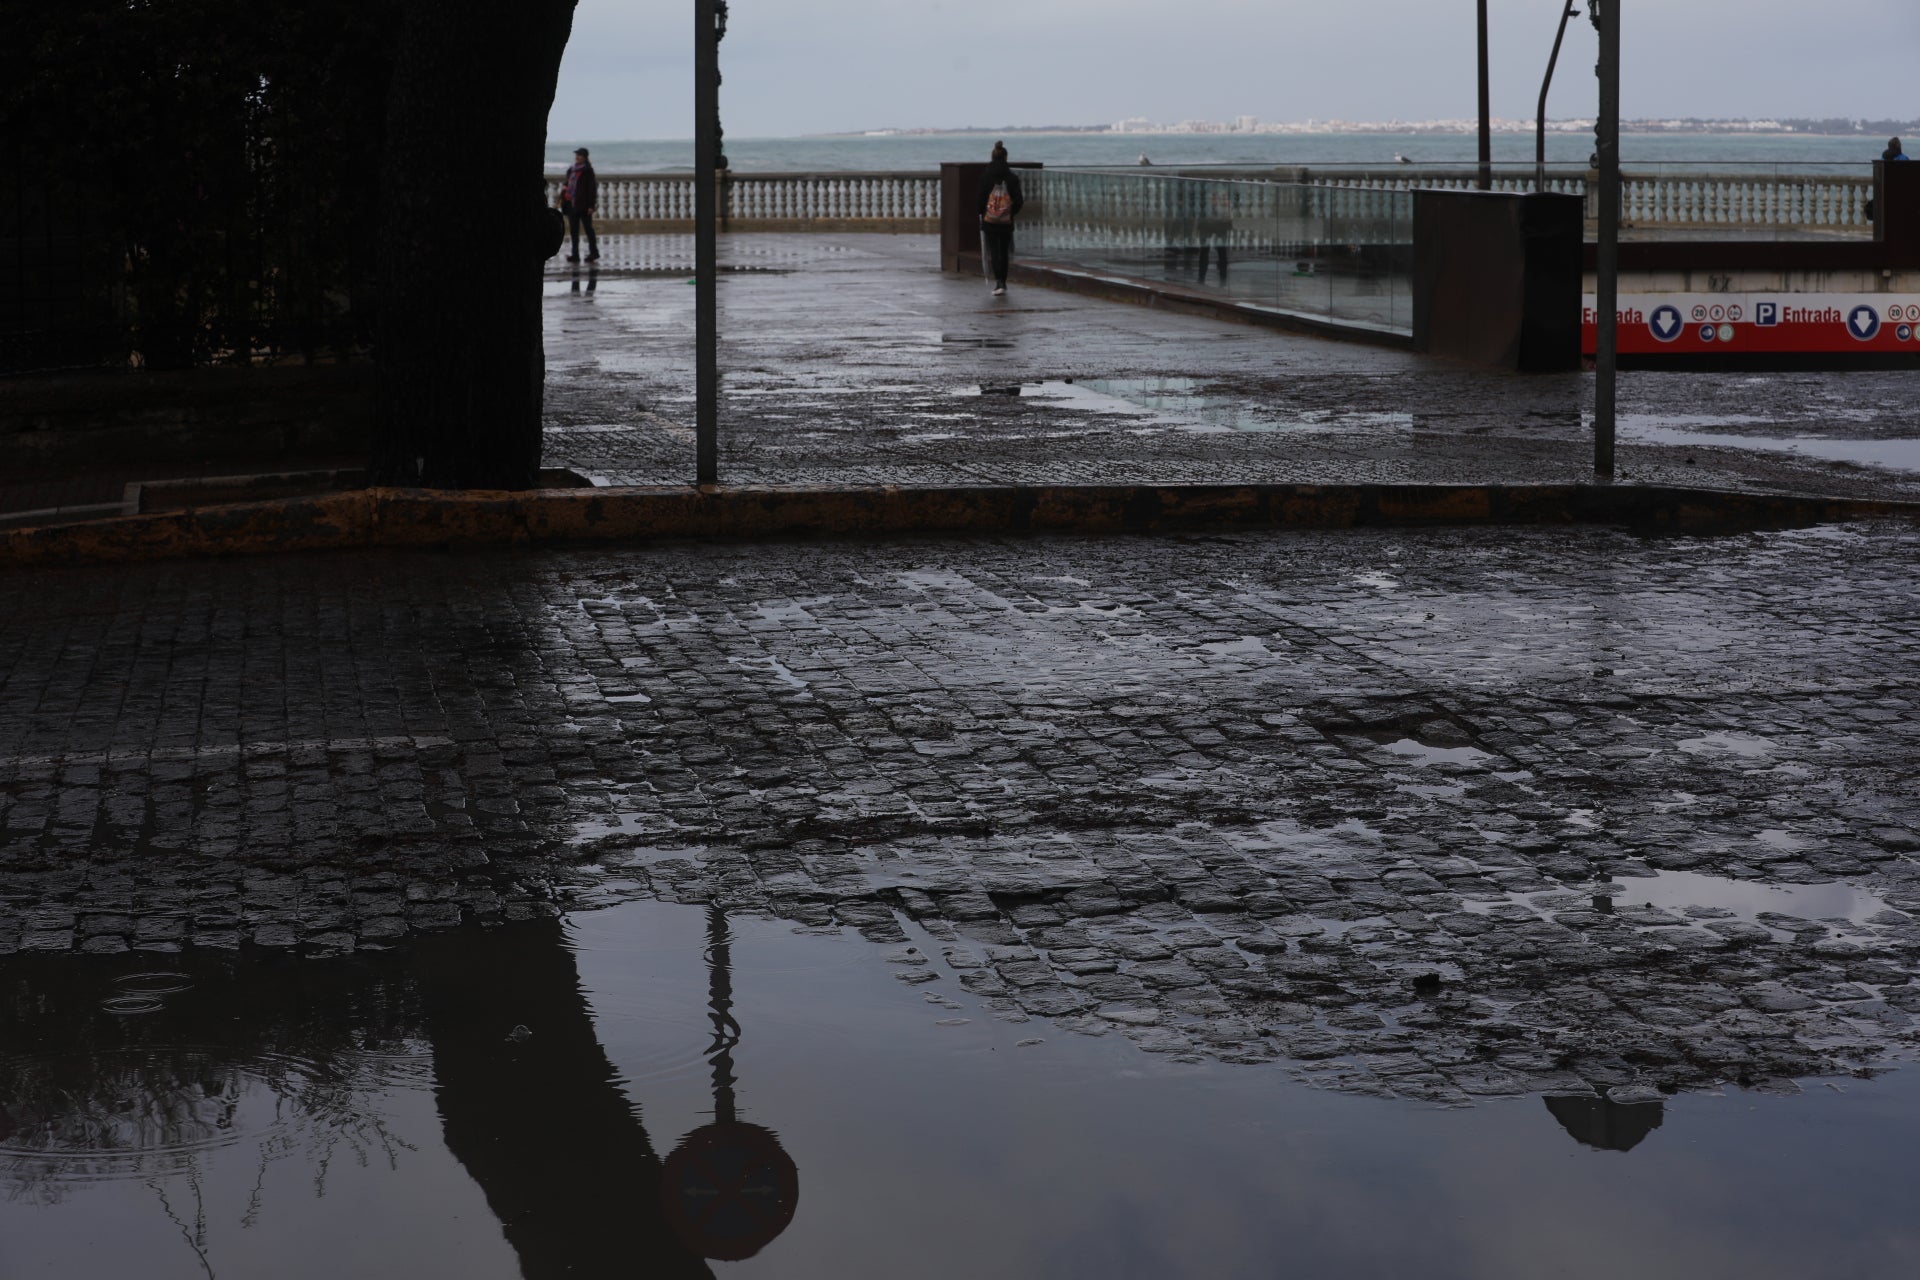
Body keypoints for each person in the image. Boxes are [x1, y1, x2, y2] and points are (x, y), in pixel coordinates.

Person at [976, 141, 1024, 297]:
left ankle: (998, 282)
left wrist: (983, 213)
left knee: (994, 250)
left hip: (989, 221)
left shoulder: (985, 177)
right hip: (1006, 221)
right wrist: (1009, 213)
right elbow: (1019, 201)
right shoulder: (1012, 178)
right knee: (1004, 251)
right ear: (1006, 157)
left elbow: (980, 200)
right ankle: (1002, 281)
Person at [563, 147, 599, 263]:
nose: (577, 157)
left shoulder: (588, 171)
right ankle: (575, 255)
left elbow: (591, 189)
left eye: (579, 155)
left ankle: (594, 253)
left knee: (589, 230)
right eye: (576, 155)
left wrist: (591, 205)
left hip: (583, 205)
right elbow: (567, 184)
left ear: (585, 158)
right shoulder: (571, 170)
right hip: (571, 204)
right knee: (574, 231)